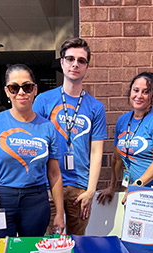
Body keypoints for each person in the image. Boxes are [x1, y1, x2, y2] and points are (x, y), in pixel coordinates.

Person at [0, 64, 65, 238]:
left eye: (27, 86)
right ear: (7, 92)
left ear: (35, 90)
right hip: (1, 198)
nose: (21, 92)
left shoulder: (48, 127)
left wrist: (60, 213)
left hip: (36, 201)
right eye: (14, 87)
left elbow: (54, 174)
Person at [33, 37, 107, 235]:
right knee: (47, 243)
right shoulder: (43, 100)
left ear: (87, 66)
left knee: (78, 242)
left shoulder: (96, 107)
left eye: (81, 60)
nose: (75, 64)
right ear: (62, 62)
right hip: (49, 184)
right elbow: (34, 145)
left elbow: (97, 151)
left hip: (80, 187)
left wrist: (91, 190)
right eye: (70, 58)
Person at [97, 72, 153, 205]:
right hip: (142, 187)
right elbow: (117, 159)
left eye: (145, 92)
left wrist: (135, 186)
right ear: (130, 92)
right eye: (136, 90)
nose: (139, 96)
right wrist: (112, 186)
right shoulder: (123, 121)